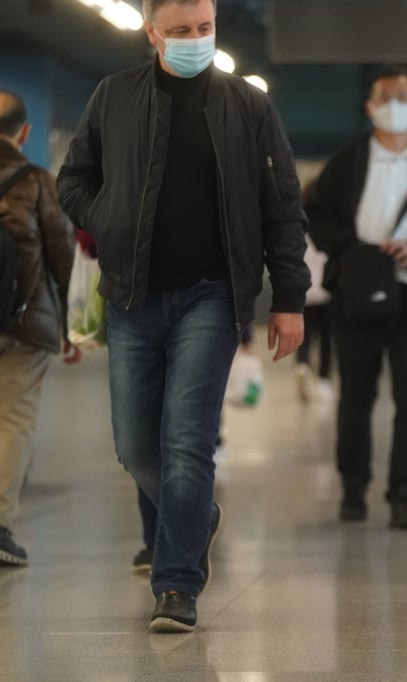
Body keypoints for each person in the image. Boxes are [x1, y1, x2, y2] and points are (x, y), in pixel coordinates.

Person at [57, 0, 309, 633]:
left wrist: (288, 299)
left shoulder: (248, 107)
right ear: (152, 33)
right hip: (132, 296)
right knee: (134, 445)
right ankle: (195, 514)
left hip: (212, 295)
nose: (195, 40)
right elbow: (73, 180)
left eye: (205, 29)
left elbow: (282, 208)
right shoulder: (113, 96)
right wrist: (108, 217)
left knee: (186, 441)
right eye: (181, 31)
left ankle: (176, 583)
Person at [305, 67, 407, 530]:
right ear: (370, 108)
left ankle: (406, 494)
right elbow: (315, 213)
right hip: (355, 294)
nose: (394, 104)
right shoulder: (348, 161)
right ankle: (353, 488)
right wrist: (353, 251)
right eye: (385, 97)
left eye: (402, 97)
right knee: (355, 396)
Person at [0, 91, 81, 568]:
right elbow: (62, 258)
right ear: (25, 133)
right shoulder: (36, 182)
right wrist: (74, 329)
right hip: (25, 324)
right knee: (13, 421)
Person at [296, 233, 333, 400]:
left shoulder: (299, 233)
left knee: (304, 337)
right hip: (326, 294)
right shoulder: (327, 233)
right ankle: (323, 379)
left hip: (305, 294)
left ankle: (302, 365)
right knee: (326, 340)